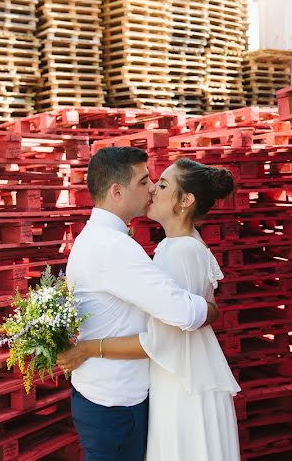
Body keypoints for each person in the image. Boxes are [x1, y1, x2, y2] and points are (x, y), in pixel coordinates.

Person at [59, 157, 242, 461]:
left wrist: (87, 348)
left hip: (175, 384)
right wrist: (209, 310)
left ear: (185, 201)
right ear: (117, 192)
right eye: (145, 182)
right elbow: (183, 315)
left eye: (161, 184)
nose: (153, 189)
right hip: (142, 389)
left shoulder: (174, 250)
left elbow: (166, 334)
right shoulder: (147, 246)